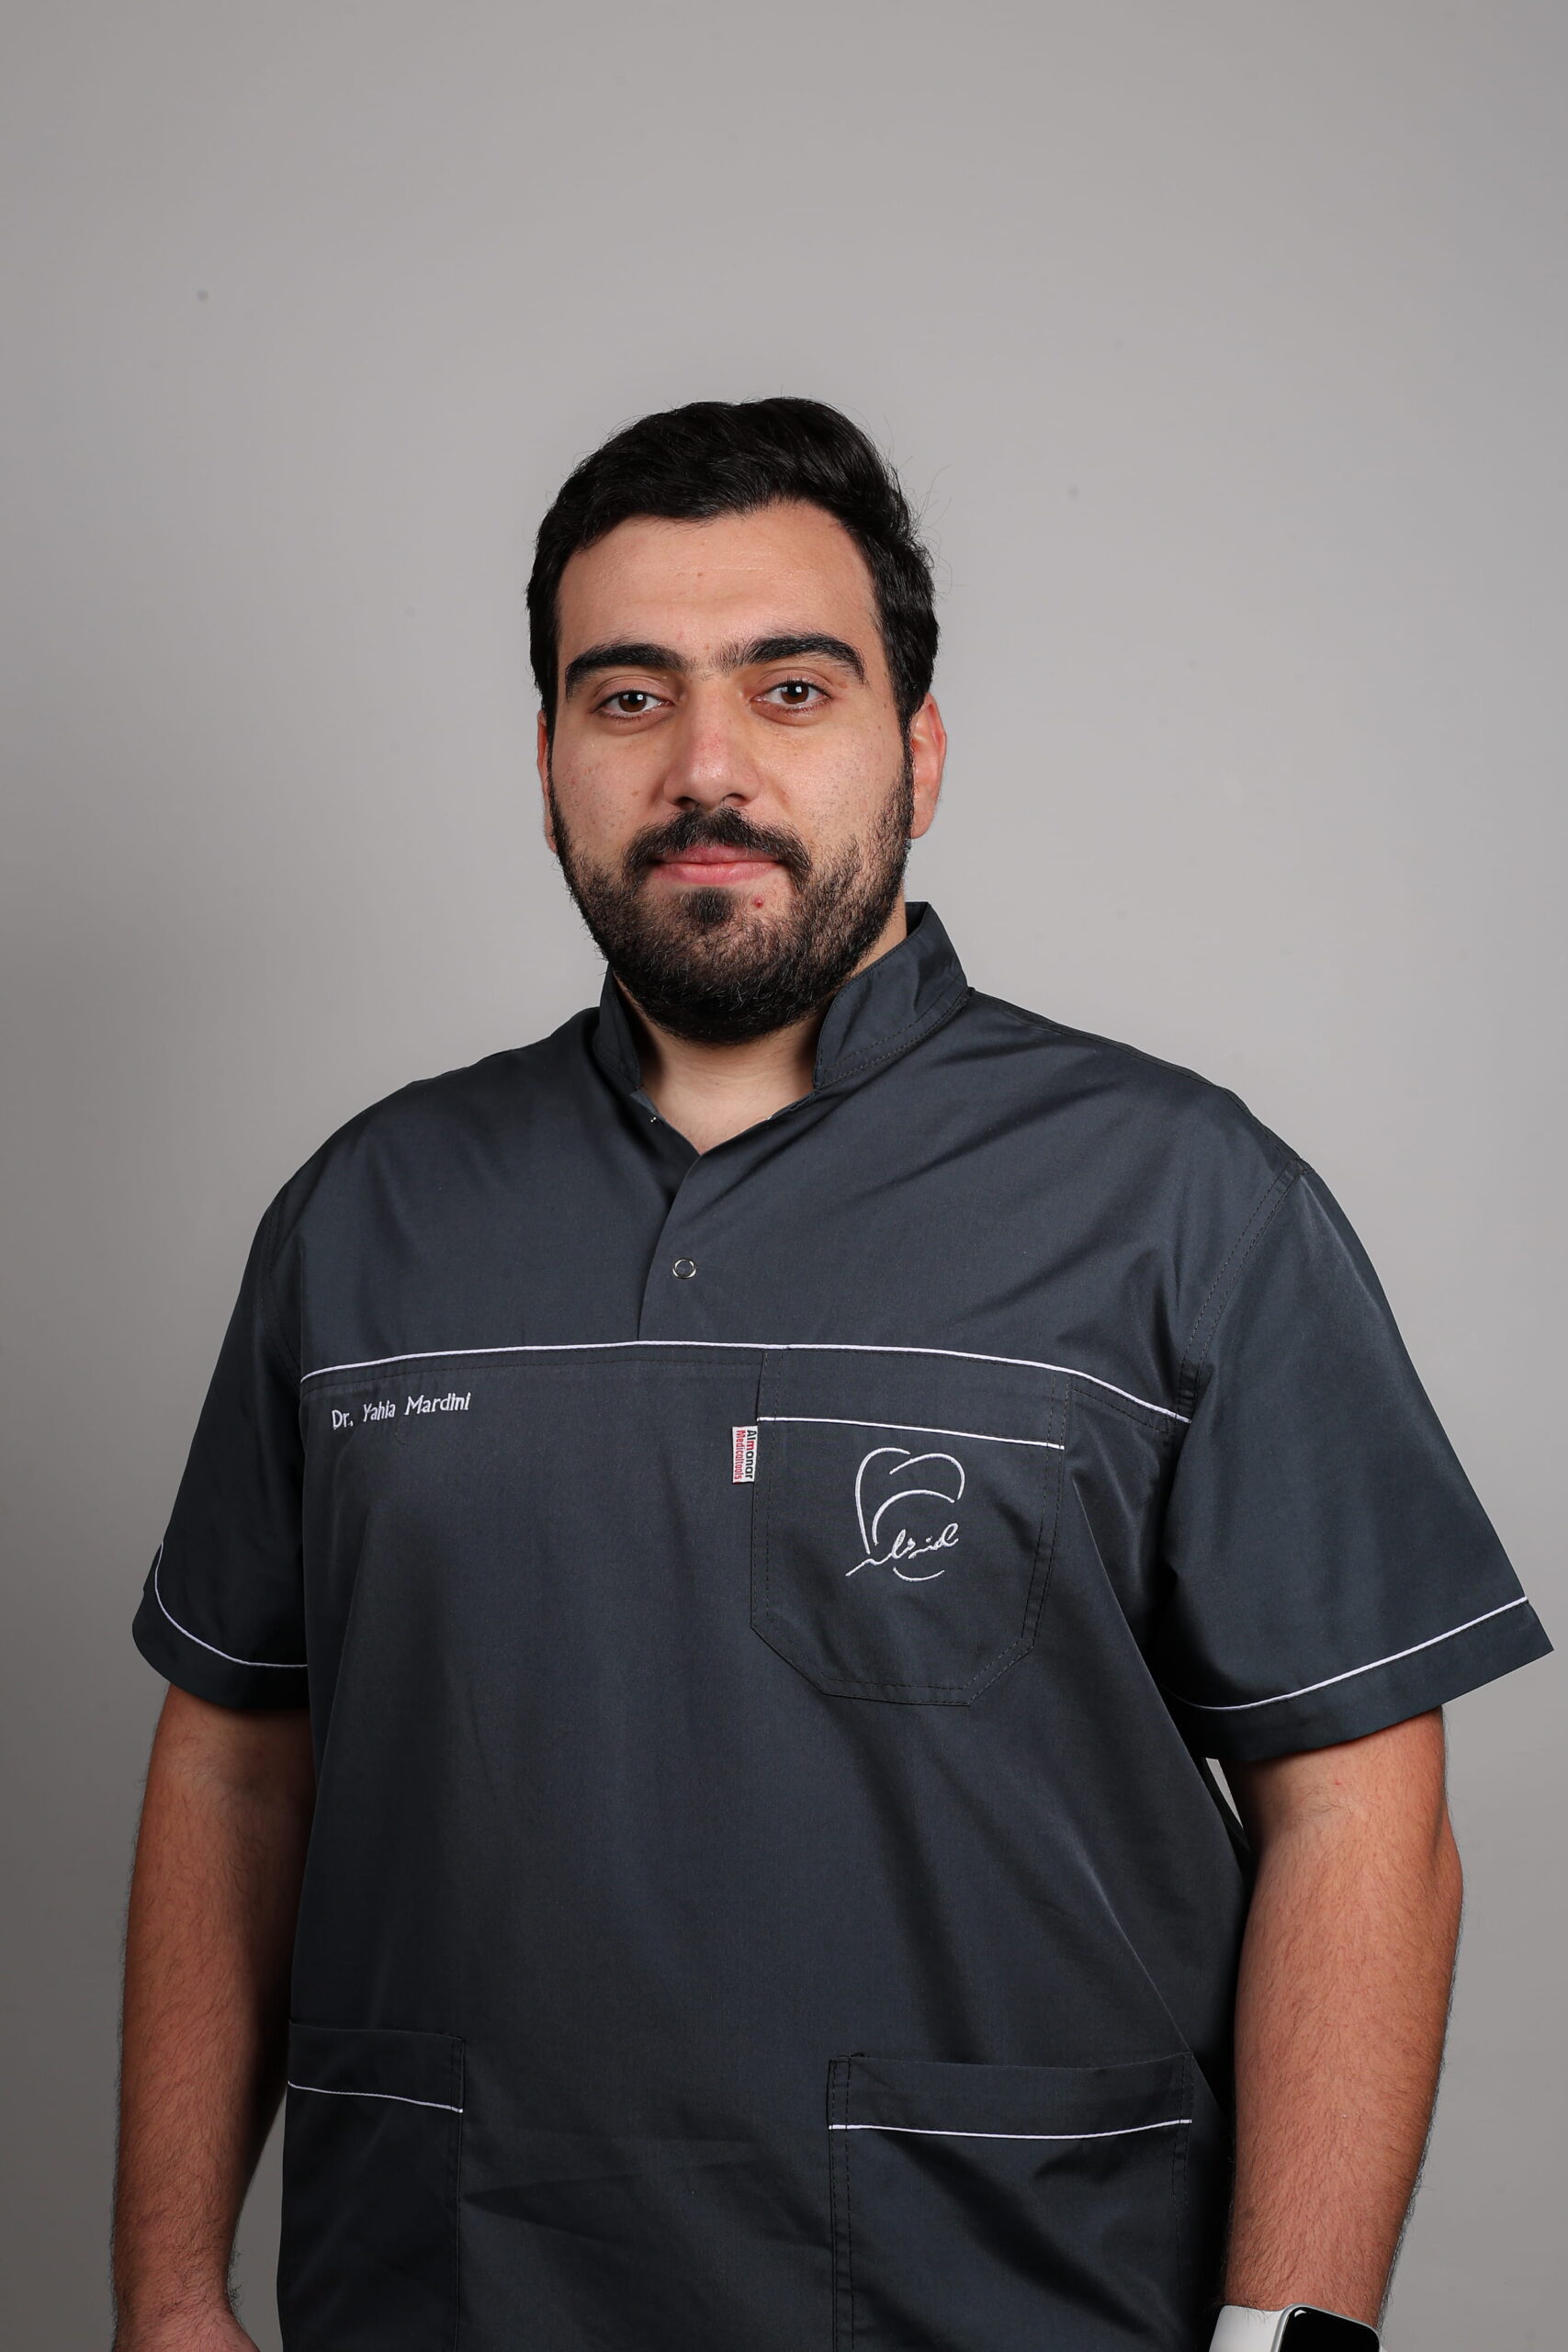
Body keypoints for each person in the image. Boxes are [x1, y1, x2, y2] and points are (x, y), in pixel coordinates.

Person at [113, 397, 1551, 2352]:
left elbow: (1359, 1809)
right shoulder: (365, 1216)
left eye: (790, 688)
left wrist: (1287, 2336)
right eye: (628, 697)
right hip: (441, 2291)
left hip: (1020, 2298)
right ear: (547, 765)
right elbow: (232, 1763)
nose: (706, 765)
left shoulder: (1179, 1200)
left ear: (918, 751)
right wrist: (166, 2293)